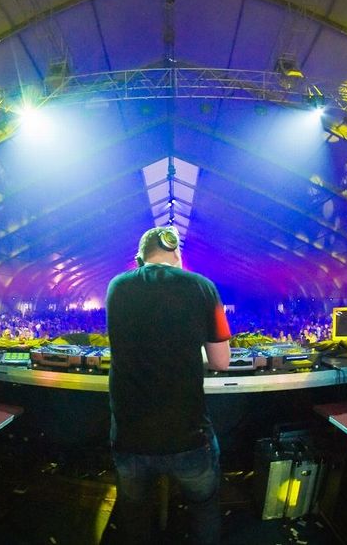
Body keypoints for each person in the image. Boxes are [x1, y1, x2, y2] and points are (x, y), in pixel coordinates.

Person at [106, 226, 231, 544]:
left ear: (139, 259)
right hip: (188, 435)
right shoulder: (203, 287)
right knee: (203, 508)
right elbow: (221, 362)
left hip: (131, 435)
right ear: (177, 253)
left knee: (135, 514)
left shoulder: (117, 286)